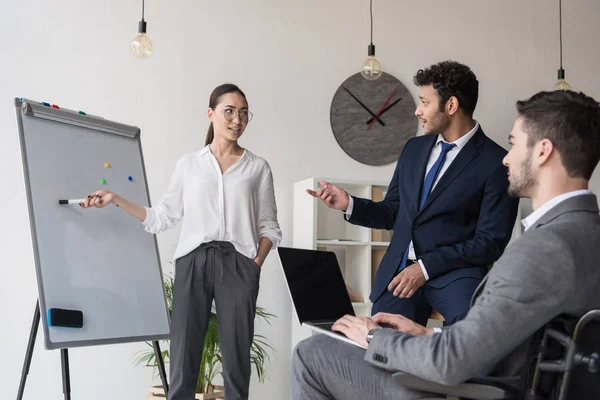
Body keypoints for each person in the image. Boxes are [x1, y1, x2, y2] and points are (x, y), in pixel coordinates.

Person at [291, 89, 600, 400]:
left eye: (513, 144)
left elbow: (451, 362)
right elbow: (507, 341)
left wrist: (372, 337)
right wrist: (429, 334)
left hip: (479, 383)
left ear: (543, 151)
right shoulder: (585, 235)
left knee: (312, 352)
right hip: (488, 374)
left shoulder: (540, 251)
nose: (506, 157)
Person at [80, 84, 282, 400]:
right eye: (229, 111)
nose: (236, 120)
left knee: (237, 362)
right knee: (183, 360)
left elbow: (270, 226)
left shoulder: (257, 167)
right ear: (211, 113)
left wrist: (254, 265)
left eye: (243, 113)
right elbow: (162, 216)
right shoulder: (190, 164)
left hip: (239, 265)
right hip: (193, 261)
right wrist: (117, 198)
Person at [308, 61, 519, 325]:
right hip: (398, 272)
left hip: (454, 275)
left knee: (471, 335)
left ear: (451, 105)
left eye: (424, 102)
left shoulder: (497, 163)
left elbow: (490, 242)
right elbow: (393, 212)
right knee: (379, 347)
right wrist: (348, 203)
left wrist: (425, 267)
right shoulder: (414, 149)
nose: (417, 111)